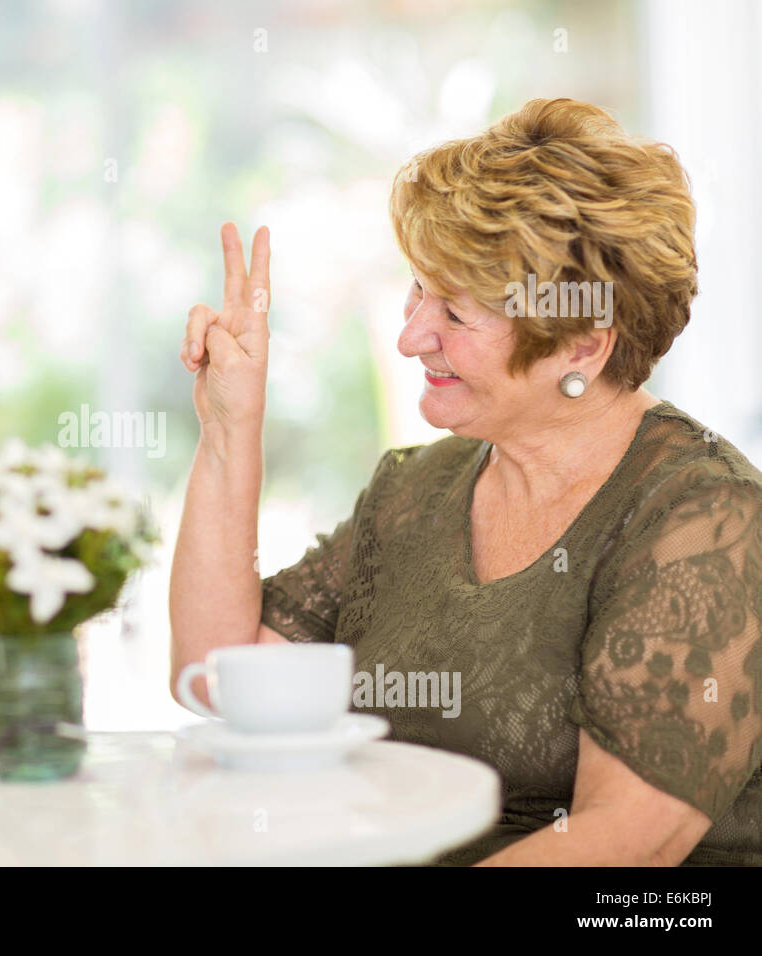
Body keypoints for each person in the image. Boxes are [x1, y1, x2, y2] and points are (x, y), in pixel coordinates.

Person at [169, 98, 762, 865]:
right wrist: (228, 427)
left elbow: (623, 847)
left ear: (582, 344)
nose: (411, 335)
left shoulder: (704, 516)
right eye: (419, 291)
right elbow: (217, 679)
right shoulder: (416, 490)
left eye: (454, 310)